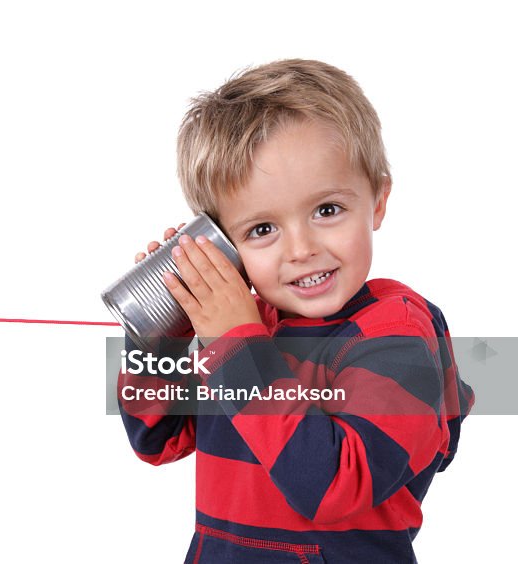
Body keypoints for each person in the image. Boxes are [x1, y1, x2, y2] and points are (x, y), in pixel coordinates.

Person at [119, 59, 473, 563]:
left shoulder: (397, 336)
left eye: (327, 210)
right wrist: (161, 334)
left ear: (377, 200)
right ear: (226, 246)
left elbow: (333, 485)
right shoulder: (245, 326)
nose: (301, 248)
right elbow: (157, 439)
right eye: (262, 229)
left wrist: (235, 348)